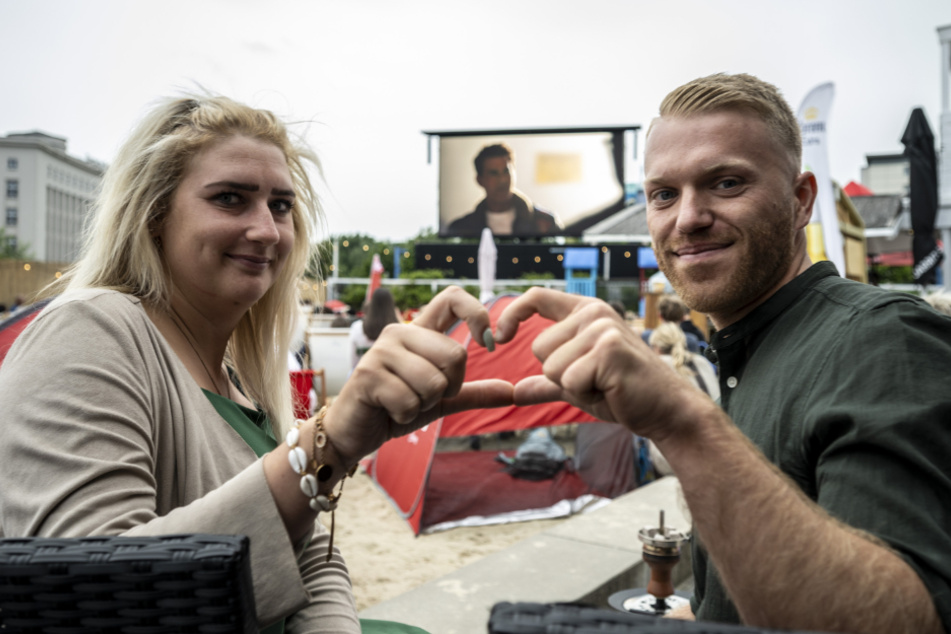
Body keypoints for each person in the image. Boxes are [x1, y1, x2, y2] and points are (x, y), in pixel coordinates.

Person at [0, 95, 513, 634]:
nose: (267, 230)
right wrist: (325, 445)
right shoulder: (89, 329)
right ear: (153, 216)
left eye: (281, 205)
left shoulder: (237, 373)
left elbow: (310, 556)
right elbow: (96, 592)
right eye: (229, 199)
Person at [492, 73, 951, 634]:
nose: (687, 218)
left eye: (727, 183)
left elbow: (904, 622)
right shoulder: (745, 354)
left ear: (801, 199)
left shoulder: (884, 340)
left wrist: (680, 422)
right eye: (664, 194)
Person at [646, 322, 719, 476]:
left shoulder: (655, 367)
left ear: (656, 347)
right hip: (713, 450)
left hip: (672, 460)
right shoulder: (702, 363)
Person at [446, 143, 562, 237]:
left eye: (506, 172)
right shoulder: (460, 228)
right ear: (480, 180)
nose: (502, 180)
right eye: (494, 173)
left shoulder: (545, 222)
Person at [348, 287, 401, 371]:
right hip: (391, 377)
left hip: (363, 374)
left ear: (372, 303)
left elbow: (354, 361)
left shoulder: (357, 327)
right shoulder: (400, 329)